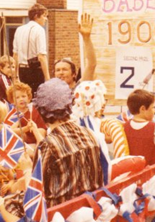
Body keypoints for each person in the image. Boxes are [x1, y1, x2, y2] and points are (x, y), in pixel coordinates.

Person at [31, 78, 105, 208]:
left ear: (41, 111)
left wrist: (27, 169)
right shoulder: (89, 133)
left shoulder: (49, 144)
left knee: (6, 204)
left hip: (58, 212)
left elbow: (35, 190)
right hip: (88, 205)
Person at [13, 3, 50, 94]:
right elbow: (41, 56)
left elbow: (15, 55)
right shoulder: (39, 30)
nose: (46, 19)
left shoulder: (19, 29)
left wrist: (16, 76)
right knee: (38, 99)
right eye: (44, 16)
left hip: (22, 71)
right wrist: (48, 79)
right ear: (36, 16)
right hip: (35, 71)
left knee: (26, 98)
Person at [54, 13, 97, 90]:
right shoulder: (51, 93)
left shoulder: (80, 87)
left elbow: (91, 64)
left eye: (64, 69)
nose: (61, 73)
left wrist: (86, 38)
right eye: (58, 70)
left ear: (74, 74)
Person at [6, 82, 46, 146]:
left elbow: (43, 128)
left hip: (37, 136)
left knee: (41, 130)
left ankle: (39, 149)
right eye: (17, 97)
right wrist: (26, 128)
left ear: (29, 98)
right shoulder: (13, 114)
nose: (21, 99)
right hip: (24, 141)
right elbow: (10, 131)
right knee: (20, 135)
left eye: (23, 96)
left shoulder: (34, 110)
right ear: (12, 101)